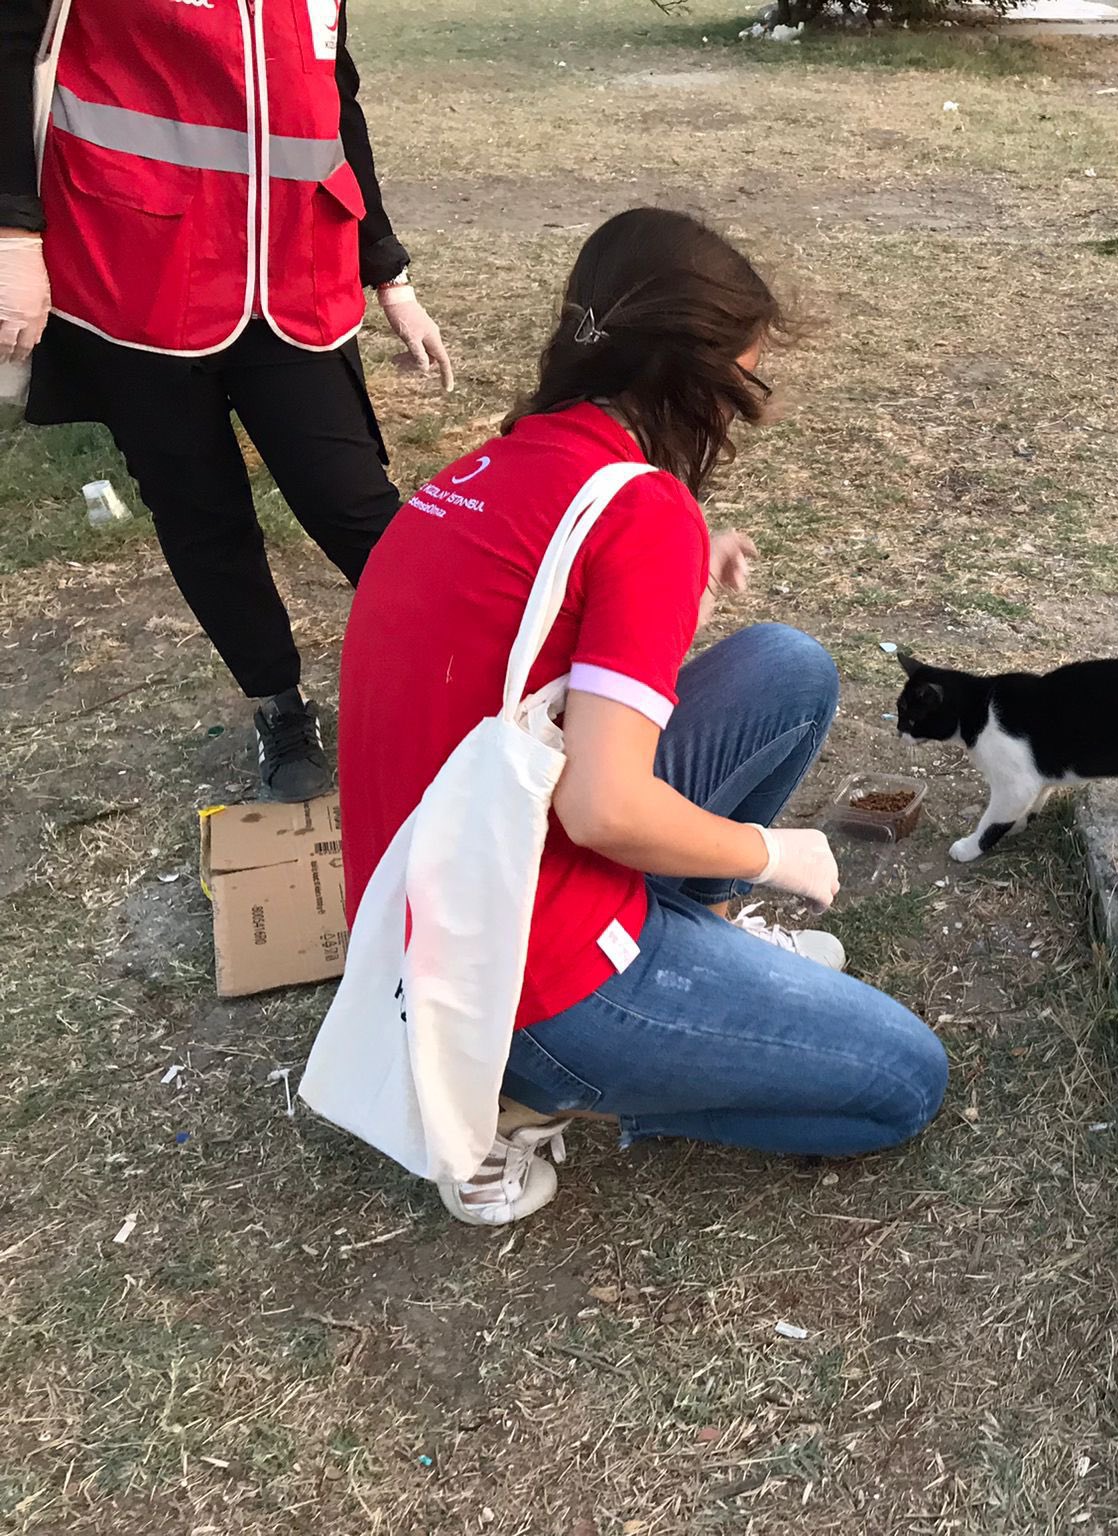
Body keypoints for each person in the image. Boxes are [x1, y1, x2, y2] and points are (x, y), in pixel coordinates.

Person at [338, 207, 948, 1226]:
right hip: (518, 979)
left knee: (783, 668)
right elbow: (603, 807)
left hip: (433, 907)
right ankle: (537, 1092)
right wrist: (770, 852)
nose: (752, 408)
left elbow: (529, 672)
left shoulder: (494, 467)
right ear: (695, 379)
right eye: (747, 380)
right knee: (901, 1086)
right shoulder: (643, 511)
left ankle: (695, 947)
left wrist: (674, 599)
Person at [0, 0, 452, 800]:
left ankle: (470, 672)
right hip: (134, 276)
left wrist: (389, 272)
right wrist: (13, 236)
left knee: (350, 502)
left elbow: (334, 98)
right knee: (200, 513)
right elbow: (13, 49)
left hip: (295, 277)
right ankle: (279, 702)